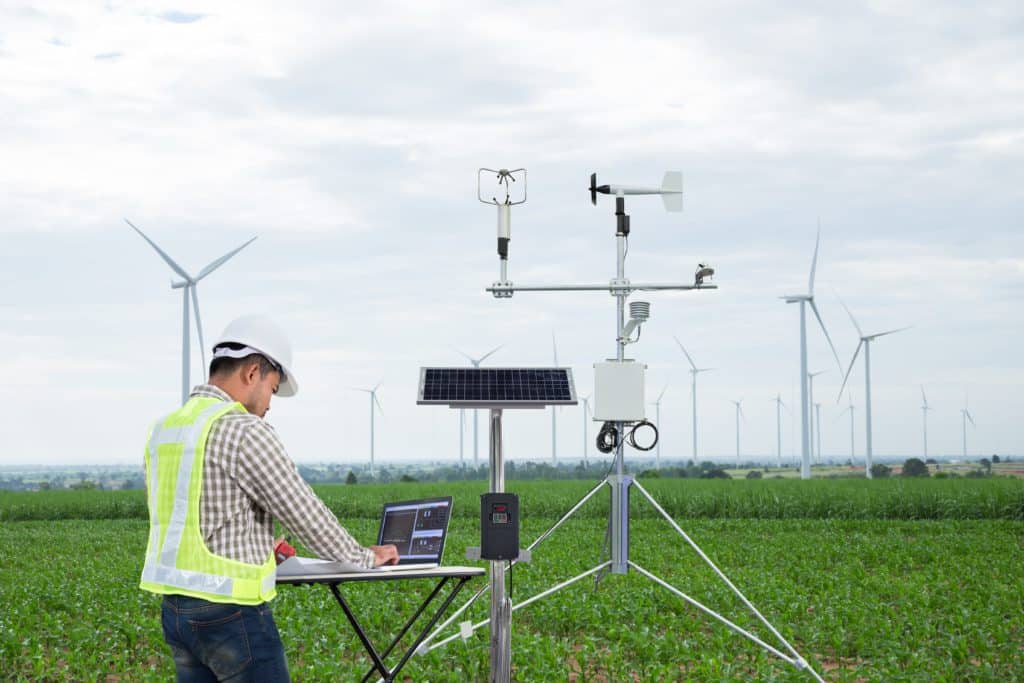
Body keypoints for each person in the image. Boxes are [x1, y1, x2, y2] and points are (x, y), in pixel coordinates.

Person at [139, 314, 399, 682]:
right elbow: (305, 515)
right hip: (231, 614)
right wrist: (364, 557)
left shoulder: (165, 430)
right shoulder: (243, 430)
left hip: (177, 612)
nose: (270, 404)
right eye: (273, 389)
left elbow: (186, 513)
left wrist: (261, 541)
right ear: (252, 372)